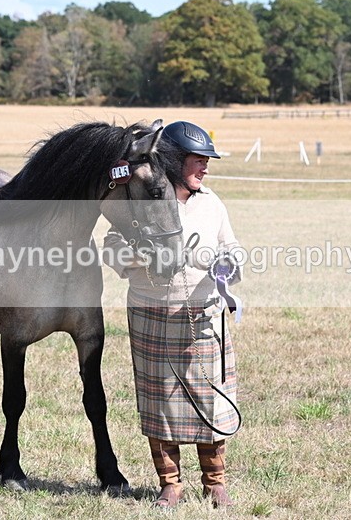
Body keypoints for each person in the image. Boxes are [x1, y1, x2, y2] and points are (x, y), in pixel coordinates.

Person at [103, 120, 242, 508]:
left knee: (210, 399)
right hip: (152, 314)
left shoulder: (212, 203)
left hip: (204, 317)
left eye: (207, 161)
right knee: (158, 400)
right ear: (175, 161)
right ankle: (170, 483)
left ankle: (215, 482)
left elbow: (232, 246)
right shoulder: (138, 201)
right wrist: (140, 253)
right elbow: (110, 248)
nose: (205, 168)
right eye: (198, 161)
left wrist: (231, 262)